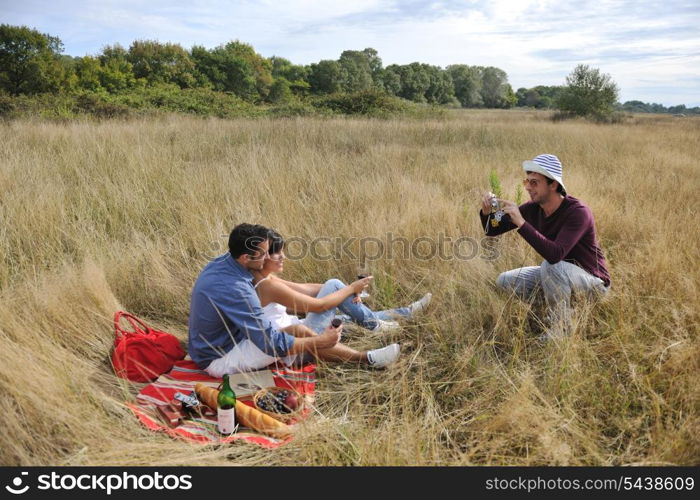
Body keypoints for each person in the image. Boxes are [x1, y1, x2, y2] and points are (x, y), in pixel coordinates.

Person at [187, 223, 399, 376]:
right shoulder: (237, 289)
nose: (268, 257)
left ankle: (383, 322)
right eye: (263, 254)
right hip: (220, 357)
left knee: (304, 328)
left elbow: (300, 291)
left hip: (225, 340)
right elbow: (270, 344)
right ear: (245, 258)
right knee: (301, 333)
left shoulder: (228, 262)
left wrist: (345, 290)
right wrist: (319, 341)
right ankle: (366, 359)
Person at [479, 154, 611, 340]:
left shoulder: (578, 213)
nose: (527, 187)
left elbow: (555, 254)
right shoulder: (532, 208)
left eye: (534, 182)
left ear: (553, 185)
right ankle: (561, 307)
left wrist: (522, 223)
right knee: (504, 281)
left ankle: (560, 330)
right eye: (527, 181)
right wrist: (487, 214)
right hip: (558, 275)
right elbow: (493, 229)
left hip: (592, 284)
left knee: (550, 265)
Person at [252, 229, 432, 336]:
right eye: (277, 253)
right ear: (263, 256)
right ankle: (376, 326)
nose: (283, 257)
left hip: (299, 327)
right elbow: (318, 306)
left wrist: (345, 291)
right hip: (296, 338)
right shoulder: (265, 286)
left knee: (349, 318)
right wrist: (349, 289)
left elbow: (305, 289)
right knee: (334, 284)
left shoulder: (267, 278)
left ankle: (407, 312)